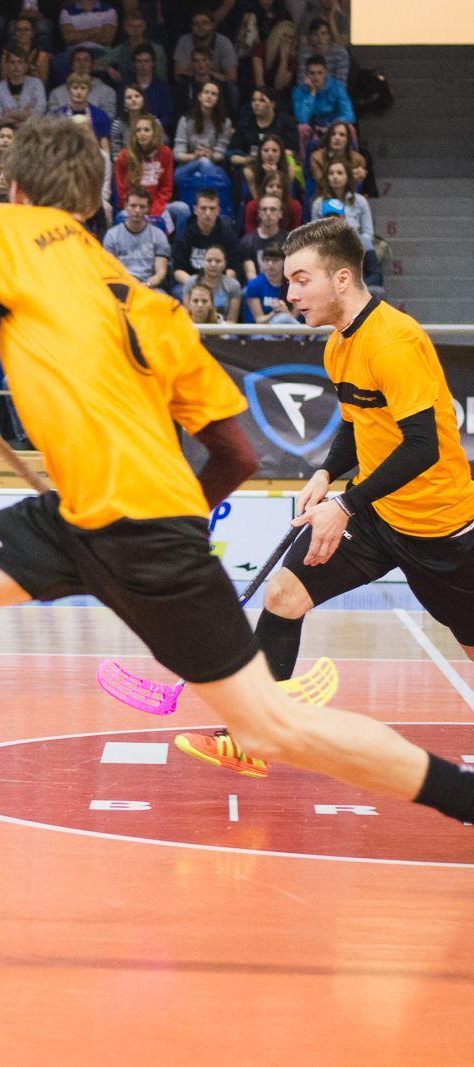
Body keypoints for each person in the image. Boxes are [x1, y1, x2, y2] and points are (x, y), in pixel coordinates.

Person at [0, 117, 474, 907]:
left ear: (16, 189)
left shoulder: (8, 229)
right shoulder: (153, 307)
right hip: (121, 524)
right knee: (271, 725)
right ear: (96, 203)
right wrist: (178, 526)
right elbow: (234, 456)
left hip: (107, 519)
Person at [190, 215, 474, 781]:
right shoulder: (340, 344)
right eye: (288, 282)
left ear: (342, 279)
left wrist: (344, 504)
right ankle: (253, 739)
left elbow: (423, 446)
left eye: (301, 280)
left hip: (441, 527)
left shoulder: (393, 341)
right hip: (376, 514)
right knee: (285, 594)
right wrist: (326, 474)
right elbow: (355, 419)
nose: (289, 294)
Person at [171, 188, 238, 291]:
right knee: (178, 291)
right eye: (203, 208)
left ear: (218, 210)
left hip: (219, 284)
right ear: (195, 210)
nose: (207, 213)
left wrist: (219, 286)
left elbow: (233, 268)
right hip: (192, 283)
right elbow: (178, 271)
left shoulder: (227, 233)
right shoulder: (184, 233)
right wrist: (198, 287)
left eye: (212, 208)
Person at [103, 190, 170, 289]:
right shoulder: (112, 235)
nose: (137, 210)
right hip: (121, 285)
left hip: (149, 286)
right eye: (133, 206)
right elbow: (108, 269)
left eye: (142, 207)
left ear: (148, 209)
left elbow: (161, 273)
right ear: (126, 206)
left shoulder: (158, 235)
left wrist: (147, 285)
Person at [242, 243, 298, 326]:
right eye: (266, 260)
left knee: (284, 318)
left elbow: (293, 319)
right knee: (282, 318)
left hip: (288, 327)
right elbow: (259, 320)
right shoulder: (254, 285)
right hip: (260, 329)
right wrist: (275, 312)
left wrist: (285, 311)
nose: (270, 264)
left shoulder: (294, 284)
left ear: (284, 262)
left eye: (275, 260)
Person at [190, 244, 242, 322]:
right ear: (203, 262)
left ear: (225, 264)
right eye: (209, 260)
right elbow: (188, 316)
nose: (213, 264)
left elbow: (232, 321)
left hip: (225, 327)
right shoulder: (191, 283)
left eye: (218, 261)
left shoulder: (234, 285)